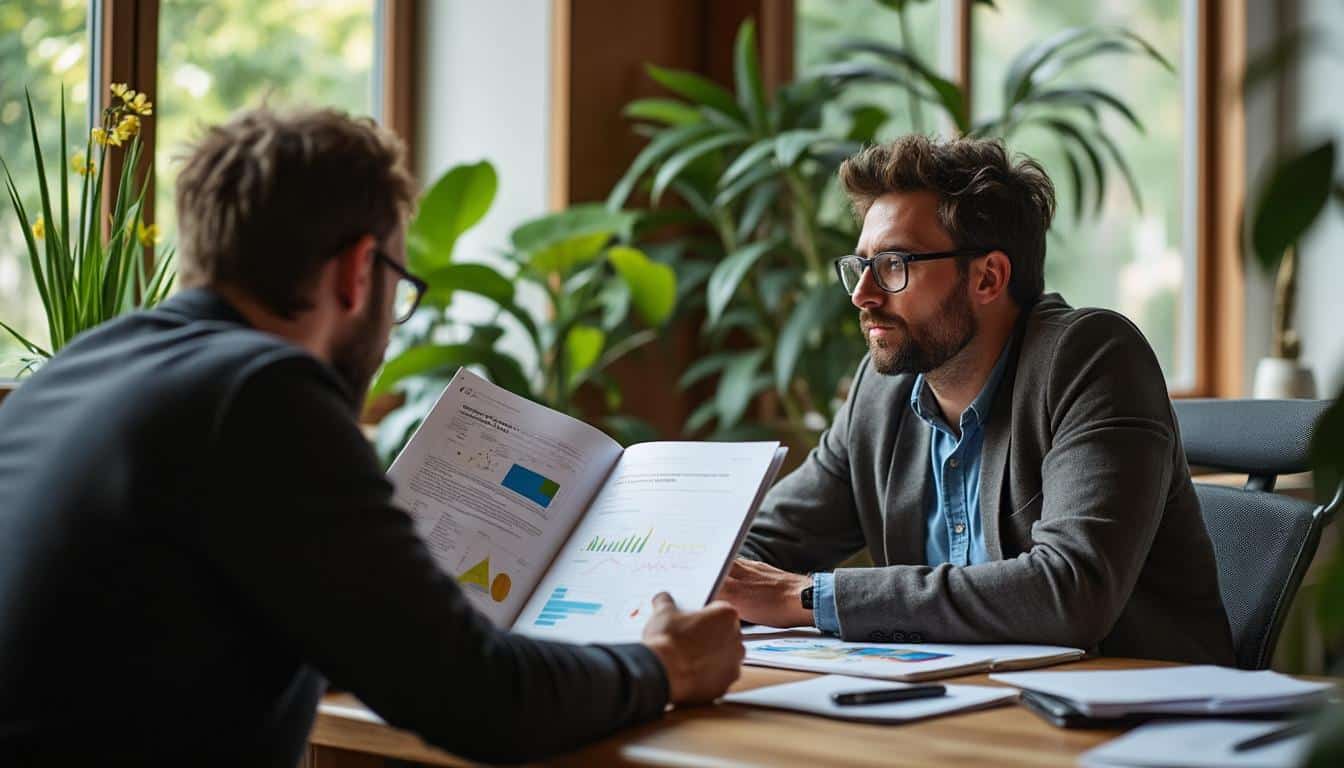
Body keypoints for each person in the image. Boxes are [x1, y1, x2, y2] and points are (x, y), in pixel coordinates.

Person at [0, 107, 743, 766]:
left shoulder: (73, 372)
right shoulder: (262, 395)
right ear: (360, 273)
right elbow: (482, 699)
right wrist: (667, 663)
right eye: (400, 288)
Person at [717, 135, 1235, 665]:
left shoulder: (1091, 359)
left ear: (988, 277)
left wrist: (804, 598)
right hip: (956, 708)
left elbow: (1071, 592)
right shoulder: (881, 394)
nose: (862, 294)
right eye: (861, 264)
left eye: (894, 264)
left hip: (1137, 715)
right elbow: (753, 548)